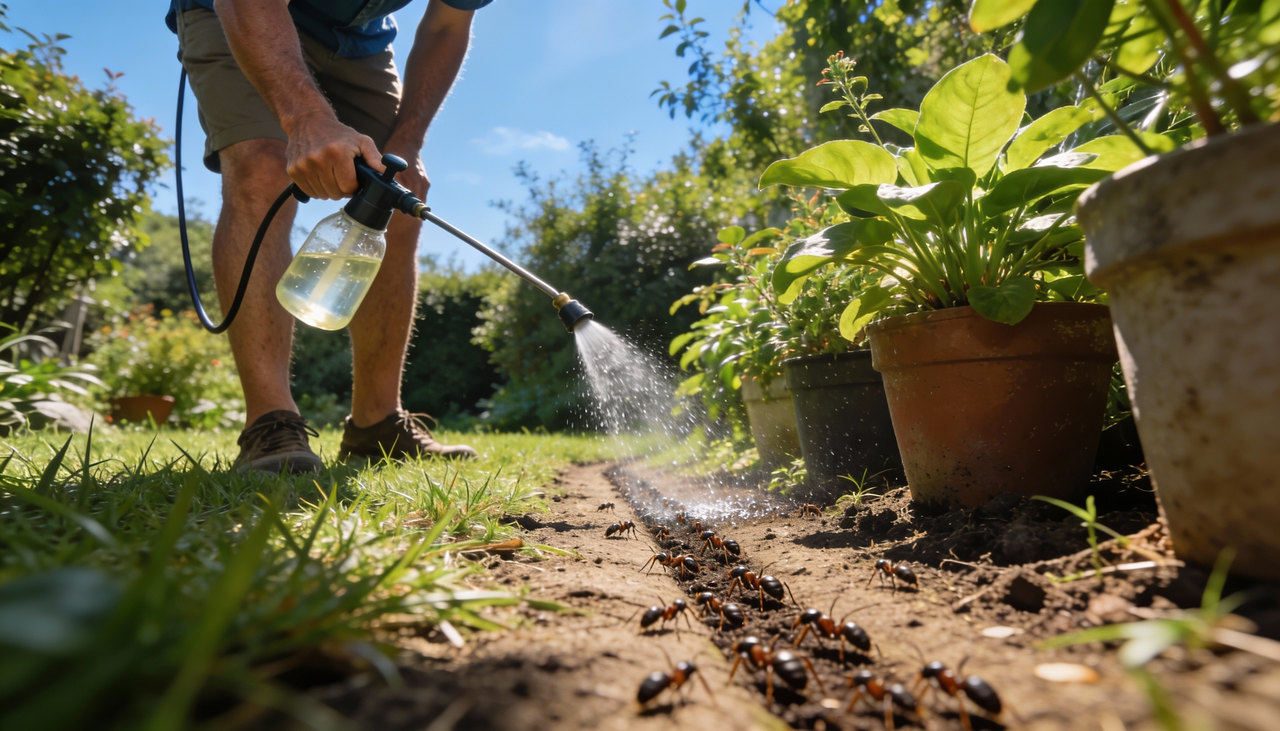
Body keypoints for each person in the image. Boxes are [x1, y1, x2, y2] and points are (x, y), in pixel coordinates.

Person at [165, 0, 487, 472]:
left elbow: (447, 22)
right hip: (240, 11)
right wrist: (304, 118)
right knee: (262, 167)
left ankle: (377, 427)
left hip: (361, 39)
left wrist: (410, 143)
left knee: (394, 194)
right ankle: (270, 423)